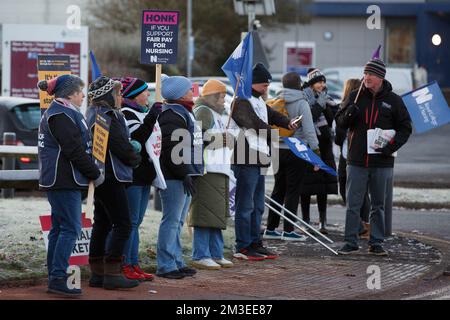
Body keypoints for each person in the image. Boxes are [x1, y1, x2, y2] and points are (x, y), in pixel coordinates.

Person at [336, 58, 412, 255]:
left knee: (378, 205)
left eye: (370, 74)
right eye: (365, 73)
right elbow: (340, 123)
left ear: (380, 77)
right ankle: (350, 241)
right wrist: (349, 114)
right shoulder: (355, 95)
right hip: (356, 161)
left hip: (382, 162)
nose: (366, 77)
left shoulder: (394, 100)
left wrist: (390, 147)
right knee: (353, 203)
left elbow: (405, 128)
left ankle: (376, 242)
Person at [38, 75, 103, 296]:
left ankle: (55, 276)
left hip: (64, 179)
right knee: (71, 228)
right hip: (62, 180)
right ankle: (57, 277)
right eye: (80, 92)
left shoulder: (62, 112)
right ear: (70, 93)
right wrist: (94, 172)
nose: (83, 96)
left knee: (60, 228)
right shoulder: (60, 114)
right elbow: (73, 150)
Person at [231, 63, 299, 261]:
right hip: (246, 157)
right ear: (253, 83)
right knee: (246, 206)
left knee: (258, 205)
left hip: (260, 157)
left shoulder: (259, 100)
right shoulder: (241, 101)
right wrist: (275, 133)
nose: (266, 89)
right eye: (263, 85)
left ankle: (255, 242)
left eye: (268, 86)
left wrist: (288, 122)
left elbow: (272, 115)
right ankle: (243, 245)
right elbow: (253, 123)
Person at [86, 76, 142, 290]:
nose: (120, 97)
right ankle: (112, 272)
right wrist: (135, 157)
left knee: (102, 224)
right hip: (112, 176)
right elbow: (120, 145)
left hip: (99, 176)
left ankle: (97, 273)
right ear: (108, 95)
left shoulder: (92, 113)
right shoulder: (109, 115)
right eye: (117, 93)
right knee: (123, 224)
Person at [156, 74, 204, 279]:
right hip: (175, 176)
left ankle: (176, 260)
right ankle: (166, 265)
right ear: (177, 94)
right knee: (172, 220)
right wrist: (184, 173)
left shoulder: (183, 112)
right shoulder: (171, 115)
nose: (191, 91)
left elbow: (188, 144)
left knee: (179, 221)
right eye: (187, 89)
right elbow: (171, 148)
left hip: (185, 172)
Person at [264, 72, 319, 241]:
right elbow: (309, 130)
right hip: (296, 148)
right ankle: (289, 230)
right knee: (293, 190)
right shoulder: (302, 103)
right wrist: (316, 152)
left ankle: (271, 228)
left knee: (278, 189)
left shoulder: (275, 100)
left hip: (277, 148)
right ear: (299, 85)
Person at [189, 79, 235, 269]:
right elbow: (197, 136)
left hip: (219, 170)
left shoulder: (216, 113)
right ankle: (200, 255)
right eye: (222, 96)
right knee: (204, 215)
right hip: (208, 170)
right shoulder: (203, 111)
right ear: (212, 96)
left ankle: (216, 253)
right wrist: (220, 138)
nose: (224, 100)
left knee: (216, 215)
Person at [118, 77, 160, 281]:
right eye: (145, 92)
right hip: (133, 176)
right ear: (134, 94)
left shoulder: (142, 112)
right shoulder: (126, 113)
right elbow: (138, 139)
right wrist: (152, 117)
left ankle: (134, 263)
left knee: (138, 221)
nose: (148, 96)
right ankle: (126, 263)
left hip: (144, 177)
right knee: (131, 222)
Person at [300, 68, 338, 234]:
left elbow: (331, 120)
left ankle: (323, 222)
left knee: (323, 186)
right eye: (318, 82)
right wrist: (319, 105)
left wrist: (327, 105)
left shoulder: (326, 98)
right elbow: (309, 117)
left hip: (325, 144)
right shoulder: (303, 98)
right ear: (311, 83)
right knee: (306, 186)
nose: (322, 85)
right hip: (309, 145)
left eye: (323, 82)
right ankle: (306, 221)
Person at [335, 78, 371, 239]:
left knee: (347, 189)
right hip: (352, 153)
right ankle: (363, 224)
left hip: (349, 154)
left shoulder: (346, 107)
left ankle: (360, 224)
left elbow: (338, 135)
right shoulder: (350, 107)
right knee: (361, 192)